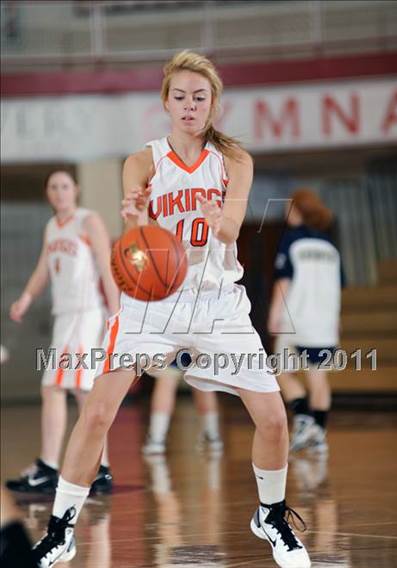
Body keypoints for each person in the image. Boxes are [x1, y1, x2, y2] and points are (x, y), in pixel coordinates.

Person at [33, 51, 311, 568]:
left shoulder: (235, 162)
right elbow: (136, 244)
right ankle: (60, 530)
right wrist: (137, 220)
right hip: (151, 305)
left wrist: (217, 215)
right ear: (165, 102)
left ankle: (269, 515)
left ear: (213, 105)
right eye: (179, 97)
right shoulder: (141, 162)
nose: (189, 105)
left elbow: (228, 233)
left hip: (216, 303)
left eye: (199, 97)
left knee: (274, 420)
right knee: (96, 413)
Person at [6, 170, 120, 496]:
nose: (59, 192)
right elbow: (43, 268)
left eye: (65, 186)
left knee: (63, 389)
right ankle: (89, 468)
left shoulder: (88, 221)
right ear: (47, 193)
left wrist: (116, 314)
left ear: (76, 190)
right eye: (53, 186)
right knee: (70, 391)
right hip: (65, 317)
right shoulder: (51, 226)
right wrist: (25, 299)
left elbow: (106, 265)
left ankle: (62, 467)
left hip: (86, 316)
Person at [268, 189, 344, 455]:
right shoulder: (330, 246)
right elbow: (337, 286)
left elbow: (283, 281)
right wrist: (336, 320)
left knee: (281, 371)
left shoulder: (292, 241)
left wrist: (274, 314)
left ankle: (303, 420)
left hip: (297, 319)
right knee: (319, 378)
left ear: (298, 209)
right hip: (324, 322)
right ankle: (319, 434)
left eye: (288, 207)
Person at [143, 354, 223, 455]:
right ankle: (212, 436)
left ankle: (156, 439)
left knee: (166, 379)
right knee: (203, 383)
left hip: (174, 341)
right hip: (199, 342)